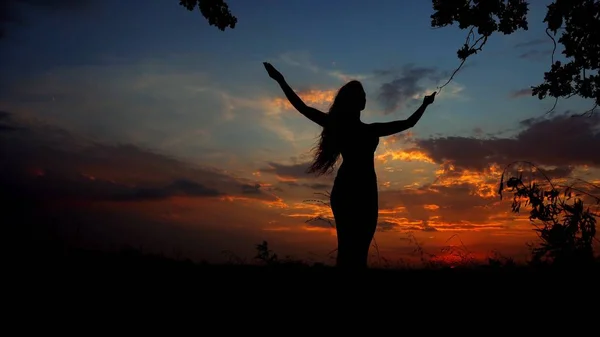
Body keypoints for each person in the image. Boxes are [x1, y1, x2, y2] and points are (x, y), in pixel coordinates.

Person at [263, 62, 436, 269]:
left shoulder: (369, 129)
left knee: (359, 250)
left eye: (363, 97)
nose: (363, 100)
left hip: (367, 190)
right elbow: (302, 108)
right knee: (348, 249)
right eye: (360, 97)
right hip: (350, 189)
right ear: (354, 103)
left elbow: (408, 123)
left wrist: (425, 104)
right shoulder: (358, 128)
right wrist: (280, 80)